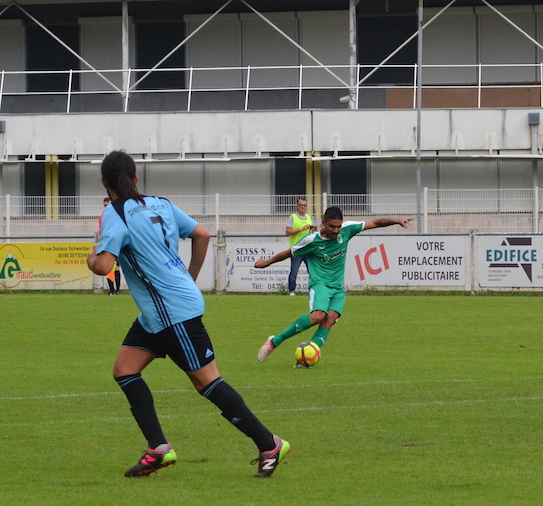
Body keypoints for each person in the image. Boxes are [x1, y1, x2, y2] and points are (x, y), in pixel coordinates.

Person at [86, 150, 289, 478]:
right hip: (159, 312)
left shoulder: (115, 213)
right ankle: (158, 449)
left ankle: (269, 444)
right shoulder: (161, 204)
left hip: (172, 312)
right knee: (125, 370)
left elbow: (104, 266)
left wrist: (92, 259)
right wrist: (189, 278)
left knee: (206, 381)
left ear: (103, 182)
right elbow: (202, 234)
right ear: (135, 178)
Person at [256, 207, 412, 365]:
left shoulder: (347, 229)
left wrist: (397, 221)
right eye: (332, 226)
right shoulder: (312, 240)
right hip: (320, 284)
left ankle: (306, 357)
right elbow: (289, 252)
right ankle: (274, 342)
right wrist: (267, 262)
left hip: (338, 287)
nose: (336, 230)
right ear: (323, 223)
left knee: (329, 320)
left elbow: (375, 223)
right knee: (317, 316)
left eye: (338, 226)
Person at [285, 198, 315, 296]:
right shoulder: (293, 217)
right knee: (294, 271)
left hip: (307, 249)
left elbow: (311, 233)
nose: (303, 207)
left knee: (312, 271)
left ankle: (313, 289)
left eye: (304, 205)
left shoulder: (309, 217)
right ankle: (291, 291)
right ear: (297, 206)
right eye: (301, 205)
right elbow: (288, 232)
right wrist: (301, 229)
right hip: (296, 249)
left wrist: (314, 229)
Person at [97, 197, 122, 295]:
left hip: (116, 243)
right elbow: (101, 229)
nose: (106, 207)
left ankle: (117, 290)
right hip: (106, 243)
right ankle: (112, 290)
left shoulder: (117, 215)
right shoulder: (102, 216)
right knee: (109, 268)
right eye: (105, 205)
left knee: (116, 268)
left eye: (108, 205)